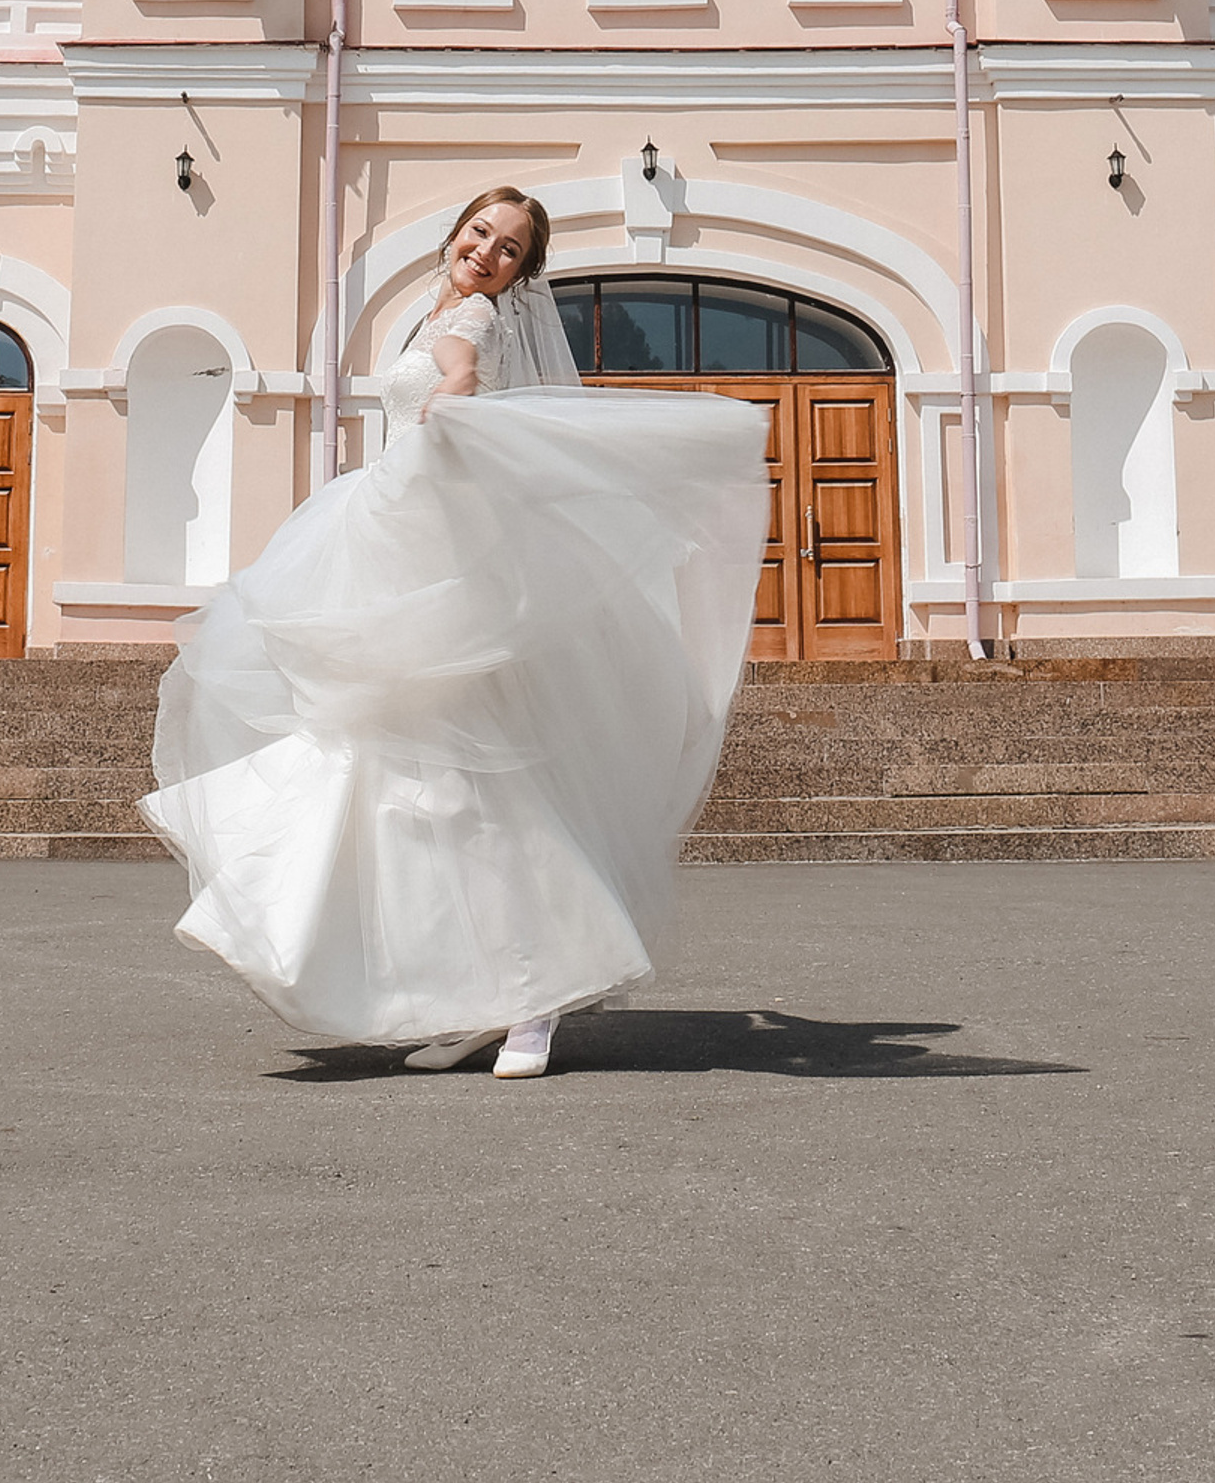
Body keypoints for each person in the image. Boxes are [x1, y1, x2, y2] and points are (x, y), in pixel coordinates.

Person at [140, 187, 769, 1078]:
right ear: (456, 234)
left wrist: (455, 398)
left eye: (509, 249)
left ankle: (542, 997)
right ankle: (479, 998)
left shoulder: (470, 318)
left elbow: (461, 373)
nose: (487, 253)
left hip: (437, 563)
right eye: (481, 233)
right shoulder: (430, 309)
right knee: (403, 784)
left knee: (472, 793)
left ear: (520, 274)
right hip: (399, 546)